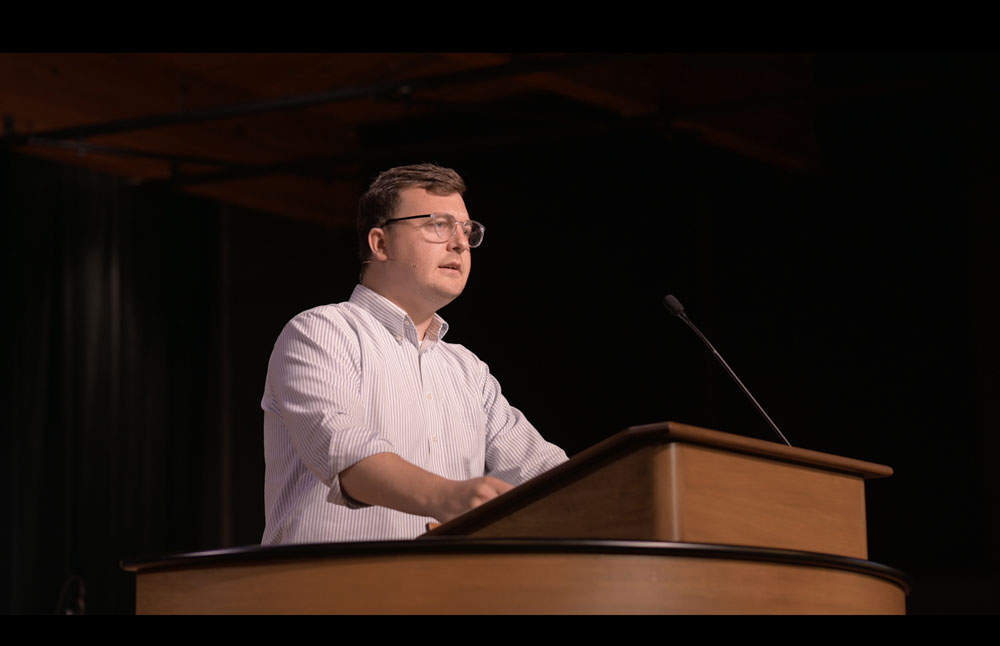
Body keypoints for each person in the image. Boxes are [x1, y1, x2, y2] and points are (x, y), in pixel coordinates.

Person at [261, 163, 568, 544]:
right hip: (331, 592)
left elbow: (547, 475)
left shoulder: (468, 370)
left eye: (467, 231)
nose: (459, 243)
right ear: (381, 244)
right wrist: (449, 496)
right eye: (438, 224)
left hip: (446, 596)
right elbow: (347, 456)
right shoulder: (322, 332)